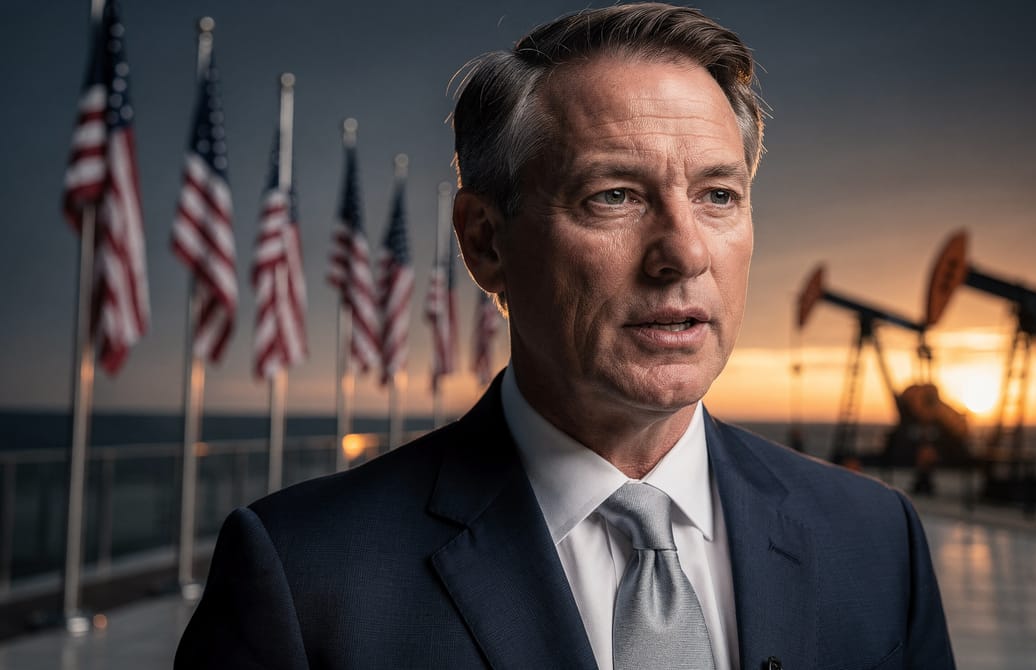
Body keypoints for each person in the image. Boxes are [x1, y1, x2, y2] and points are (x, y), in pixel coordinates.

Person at [176, 4, 955, 668]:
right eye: (614, 195)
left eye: (718, 195)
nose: (684, 253)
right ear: (485, 241)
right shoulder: (304, 578)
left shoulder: (875, 541)